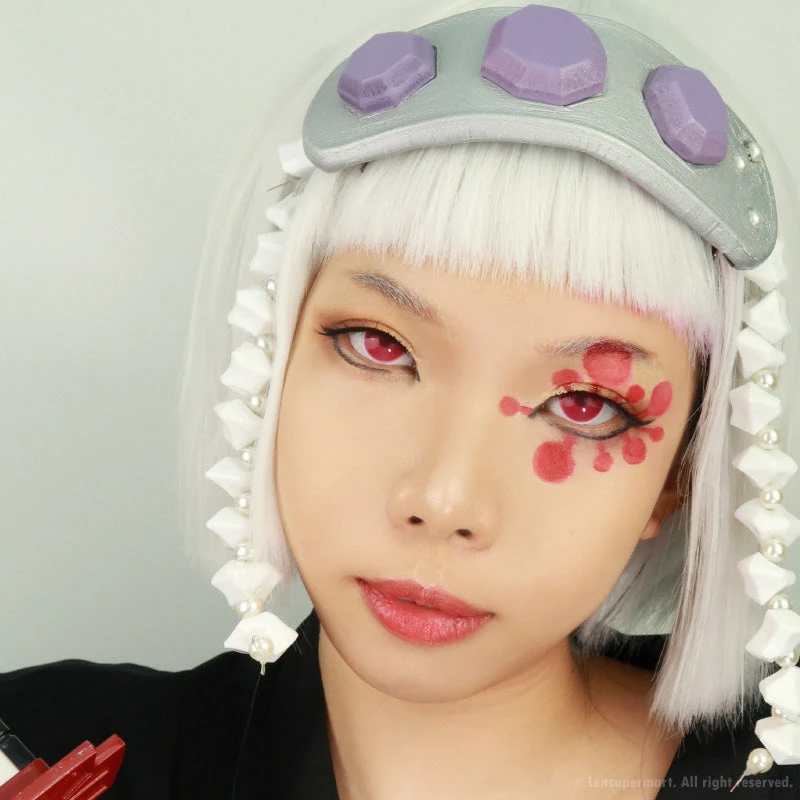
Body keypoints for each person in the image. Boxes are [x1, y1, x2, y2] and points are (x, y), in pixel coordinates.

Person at [2, 2, 800, 798]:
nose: (443, 501)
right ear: (271, 360)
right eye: (379, 346)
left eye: (586, 406)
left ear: (678, 474)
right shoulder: (32, 746)